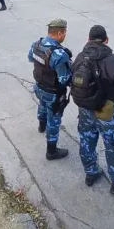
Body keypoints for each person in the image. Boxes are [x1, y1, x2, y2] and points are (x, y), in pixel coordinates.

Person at [71, 25, 114, 194]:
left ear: (88, 40)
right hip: (106, 113)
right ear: (106, 40)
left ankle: (91, 173)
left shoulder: (79, 57)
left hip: (84, 109)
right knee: (113, 146)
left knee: (86, 141)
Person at [28, 19, 72, 160]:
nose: (65, 35)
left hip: (39, 87)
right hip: (53, 93)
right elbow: (63, 79)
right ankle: (51, 152)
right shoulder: (59, 54)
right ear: (59, 33)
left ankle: (41, 126)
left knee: (42, 105)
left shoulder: (36, 45)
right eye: (65, 32)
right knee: (54, 120)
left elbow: (30, 58)